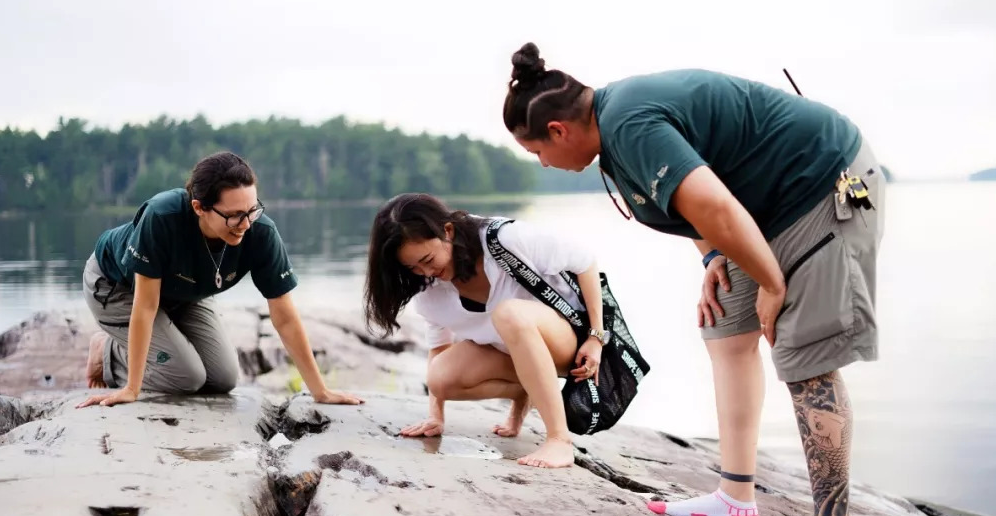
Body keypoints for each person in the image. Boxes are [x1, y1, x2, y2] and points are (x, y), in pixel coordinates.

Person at [501, 43, 886, 516]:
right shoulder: (613, 133)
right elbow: (698, 198)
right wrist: (712, 257)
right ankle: (735, 498)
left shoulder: (630, 123)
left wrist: (773, 283)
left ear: (558, 131)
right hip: (766, 209)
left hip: (823, 185)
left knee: (805, 356)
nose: (544, 163)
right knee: (726, 332)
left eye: (537, 153)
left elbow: (713, 202)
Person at [77, 151, 364, 409]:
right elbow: (146, 306)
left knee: (224, 378)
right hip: (120, 287)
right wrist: (132, 389)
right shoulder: (162, 216)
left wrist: (320, 391)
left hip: (183, 293)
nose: (246, 224)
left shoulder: (260, 231)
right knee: (187, 378)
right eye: (235, 215)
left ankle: (150, 345)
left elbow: (285, 318)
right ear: (199, 207)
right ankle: (108, 352)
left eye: (253, 210)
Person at [363, 192, 609, 468]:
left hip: (568, 343)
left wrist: (595, 337)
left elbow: (585, 262)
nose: (426, 272)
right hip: (518, 356)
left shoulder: (505, 240)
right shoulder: (430, 293)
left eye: (428, 259)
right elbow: (439, 349)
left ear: (447, 231)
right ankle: (523, 392)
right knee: (440, 378)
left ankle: (559, 441)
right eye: (413, 268)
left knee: (509, 313)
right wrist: (436, 416)